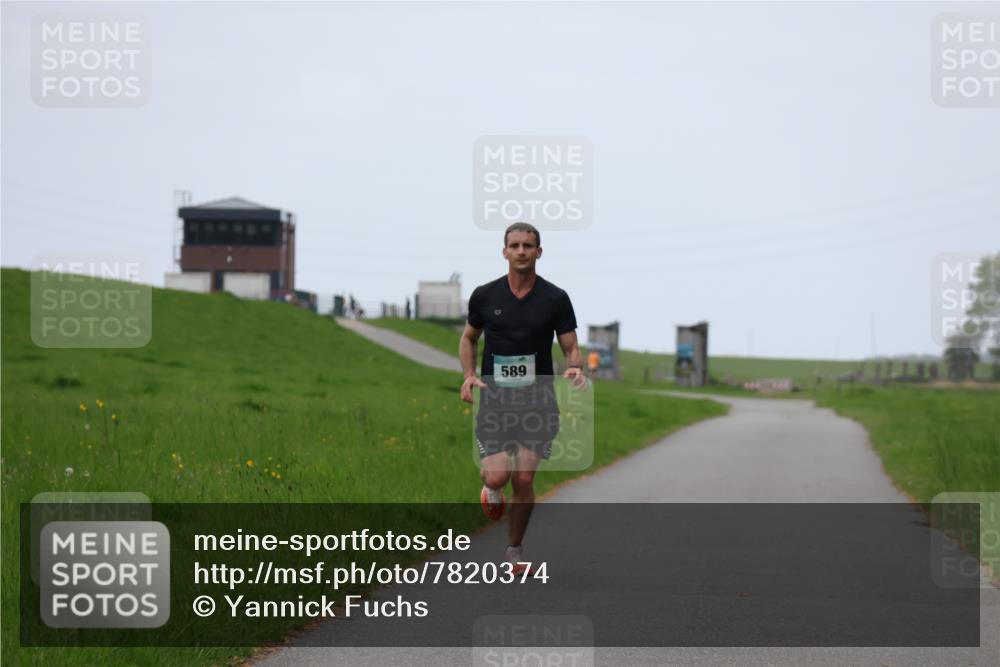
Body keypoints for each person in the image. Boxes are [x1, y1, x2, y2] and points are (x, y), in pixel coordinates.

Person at [459, 222, 586, 575]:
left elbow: (570, 344)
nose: (521, 251)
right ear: (504, 252)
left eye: (528, 245)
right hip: (496, 402)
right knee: (499, 477)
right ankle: (491, 489)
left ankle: (514, 553)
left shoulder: (555, 298)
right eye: (514, 245)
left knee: (526, 480)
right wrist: (469, 375)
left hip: (539, 402)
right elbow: (469, 339)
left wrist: (575, 366)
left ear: (539, 252)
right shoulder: (485, 296)